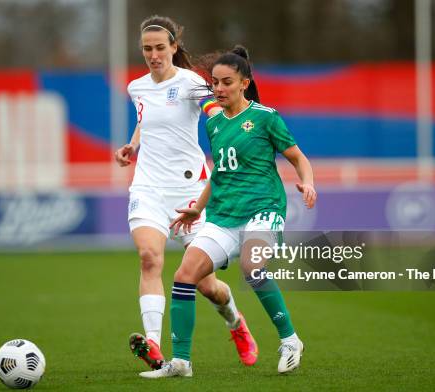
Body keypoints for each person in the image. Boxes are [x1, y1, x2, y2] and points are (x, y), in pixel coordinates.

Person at [139, 45, 317, 378]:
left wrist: (307, 183)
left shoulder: (266, 117)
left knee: (252, 265)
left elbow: (298, 158)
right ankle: (180, 362)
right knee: (184, 276)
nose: (219, 89)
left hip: (263, 210)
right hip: (223, 214)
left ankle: (290, 340)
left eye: (227, 83)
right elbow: (220, 171)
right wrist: (197, 209)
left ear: (244, 83)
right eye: (216, 83)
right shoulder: (216, 124)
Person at [115, 16, 258, 370]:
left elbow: (215, 110)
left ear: (174, 47)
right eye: (147, 49)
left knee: (207, 286)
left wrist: (234, 134)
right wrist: (132, 146)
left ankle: (236, 323)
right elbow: (145, 119)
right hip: (148, 188)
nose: (153, 55)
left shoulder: (193, 83)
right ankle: (153, 344)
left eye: (160, 48)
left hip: (190, 195)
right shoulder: (137, 88)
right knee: (150, 257)